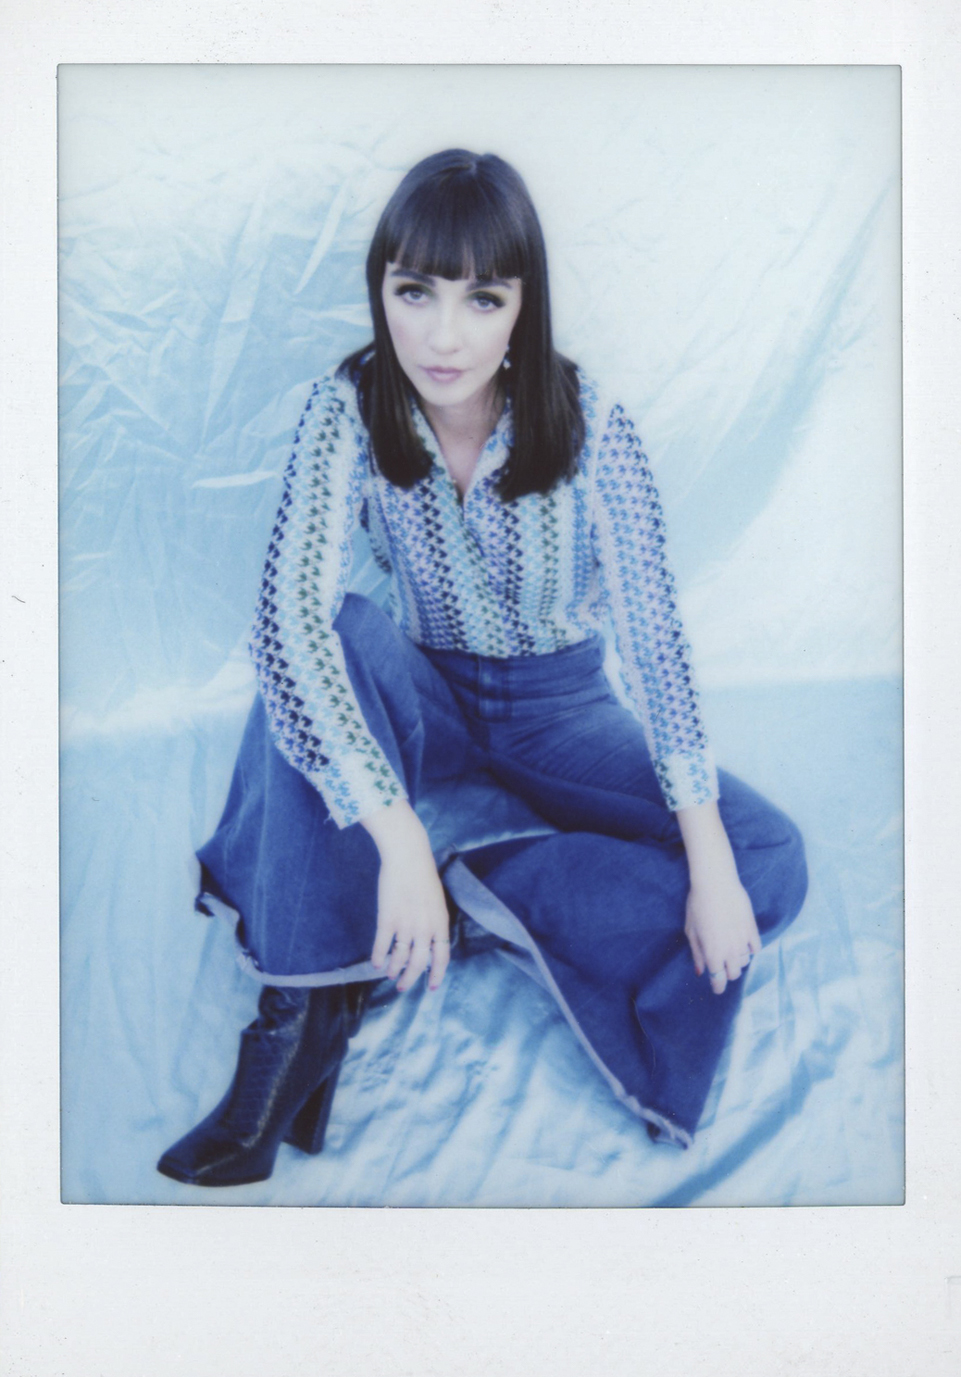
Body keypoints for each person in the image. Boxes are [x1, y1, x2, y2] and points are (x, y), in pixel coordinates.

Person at [157, 149, 807, 1189]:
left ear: (522, 306)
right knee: (334, 632)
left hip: (562, 714)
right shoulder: (345, 406)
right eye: (414, 292)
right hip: (425, 702)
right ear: (380, 288)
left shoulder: (593, 422)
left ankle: (470, 892)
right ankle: (302, 1017)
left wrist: (713, 865)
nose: (442, 336)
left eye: (482, 299)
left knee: (765, 858)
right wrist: (396, 836)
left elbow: (654, 641)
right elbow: (286, 622)